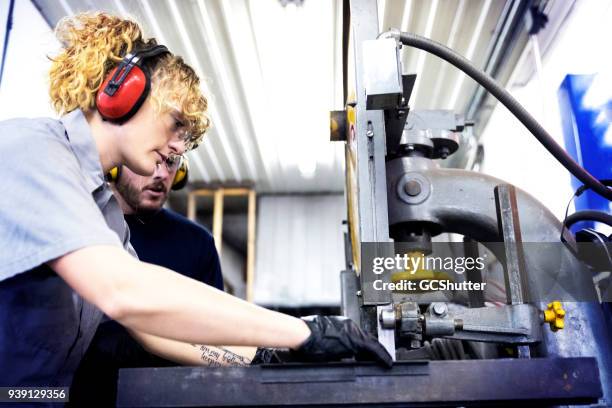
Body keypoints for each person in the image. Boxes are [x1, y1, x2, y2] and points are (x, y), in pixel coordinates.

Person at [0, 11, 391, 392]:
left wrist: (266, 355)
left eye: (185, 138)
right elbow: (123, 292)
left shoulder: (105, 215)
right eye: (174, 123)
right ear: (122, 94)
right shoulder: (33, 150)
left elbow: (153, 328)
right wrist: (304, 331)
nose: (176, 147)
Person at [70, 160, 256, 405]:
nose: (160, 174)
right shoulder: (79, 228)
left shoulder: (197, 243)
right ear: (115, 165)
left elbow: (214, 334)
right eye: (148, 161)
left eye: (170, 163)